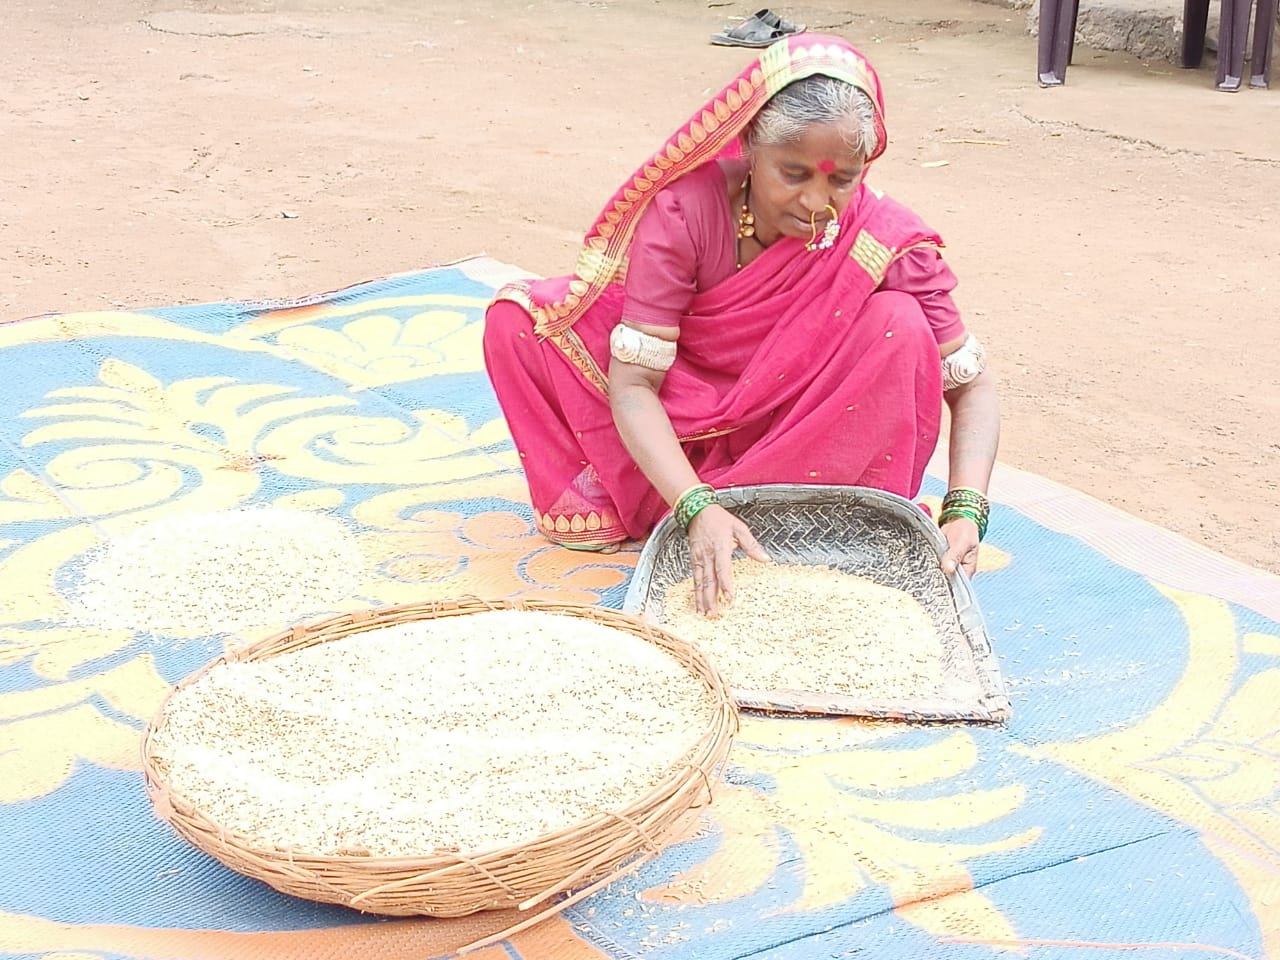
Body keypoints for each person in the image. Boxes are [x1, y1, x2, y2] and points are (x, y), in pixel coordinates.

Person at [483, 33, 1000, 615]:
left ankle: (803, 514)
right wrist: (695, 507)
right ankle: (685, 500)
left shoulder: (882, 238)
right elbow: (633, 386)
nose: (818, 202)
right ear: (750, 145)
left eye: (842, 179)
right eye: (794, 173)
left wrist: (965, 509)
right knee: (520, 320)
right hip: (677, 413)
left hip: (791, 427)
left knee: (899, 323)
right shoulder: (685, 211)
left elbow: (972, 385)